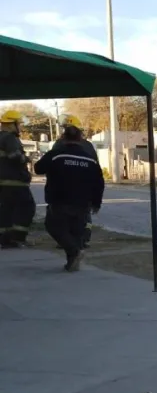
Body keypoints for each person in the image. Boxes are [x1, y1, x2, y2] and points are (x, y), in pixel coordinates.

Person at [33, 121, 105, 272]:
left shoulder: (56, 155)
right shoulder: (90, 159)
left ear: (63, 138)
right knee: (76, 231)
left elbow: (38, 168)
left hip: (60, 200)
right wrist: (96, 203)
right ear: (80, 139)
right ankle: (72, 261)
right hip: (83, 202)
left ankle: (74, 253)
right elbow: (99, 182)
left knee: (53, 226)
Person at [52, 115, 98, 248]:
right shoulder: (88, 145)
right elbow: (95, 168)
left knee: (64, 215)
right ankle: (82, 240)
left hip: (63, 189)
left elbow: (51, 166)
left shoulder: (59, 144)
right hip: (83, 189)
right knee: (83, 215)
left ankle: (67, 241)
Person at [0, 110, 36, 249]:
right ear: (11, 124)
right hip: (15, 182)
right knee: (27, 208)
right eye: (18, 124)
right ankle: (18, 238)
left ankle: (5, 240)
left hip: (4, 182)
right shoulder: (9, 138)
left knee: (6, 210)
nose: (20, 126)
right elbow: (14, 156)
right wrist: (26, 158)